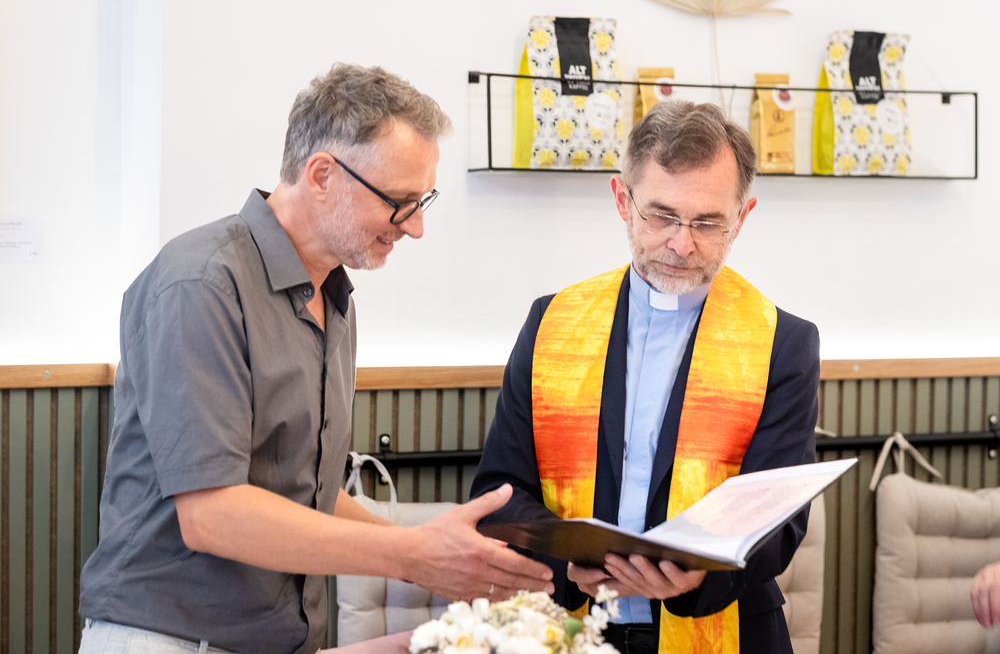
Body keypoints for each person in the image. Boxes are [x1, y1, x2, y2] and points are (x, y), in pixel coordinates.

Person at [78, 63, 553, 654]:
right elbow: (213, 513)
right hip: (167, 638)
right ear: (322, 174)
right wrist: (411, 554)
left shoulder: (332, 298)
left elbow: (303, 491)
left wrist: (435, 546)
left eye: (422, 201)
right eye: (400, 202)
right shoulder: (200, 282)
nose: (416, 227)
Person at [470, 100, 820, 654]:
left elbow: (780, 520)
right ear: (622, 200)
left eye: (708, 222)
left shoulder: (784, 342)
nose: (682, 244)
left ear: (742, 217)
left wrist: (699, 576)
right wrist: (567, 566)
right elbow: (500, 492)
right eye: (662, 216)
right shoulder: (551, 323)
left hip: (726, 627)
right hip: (573, 625)